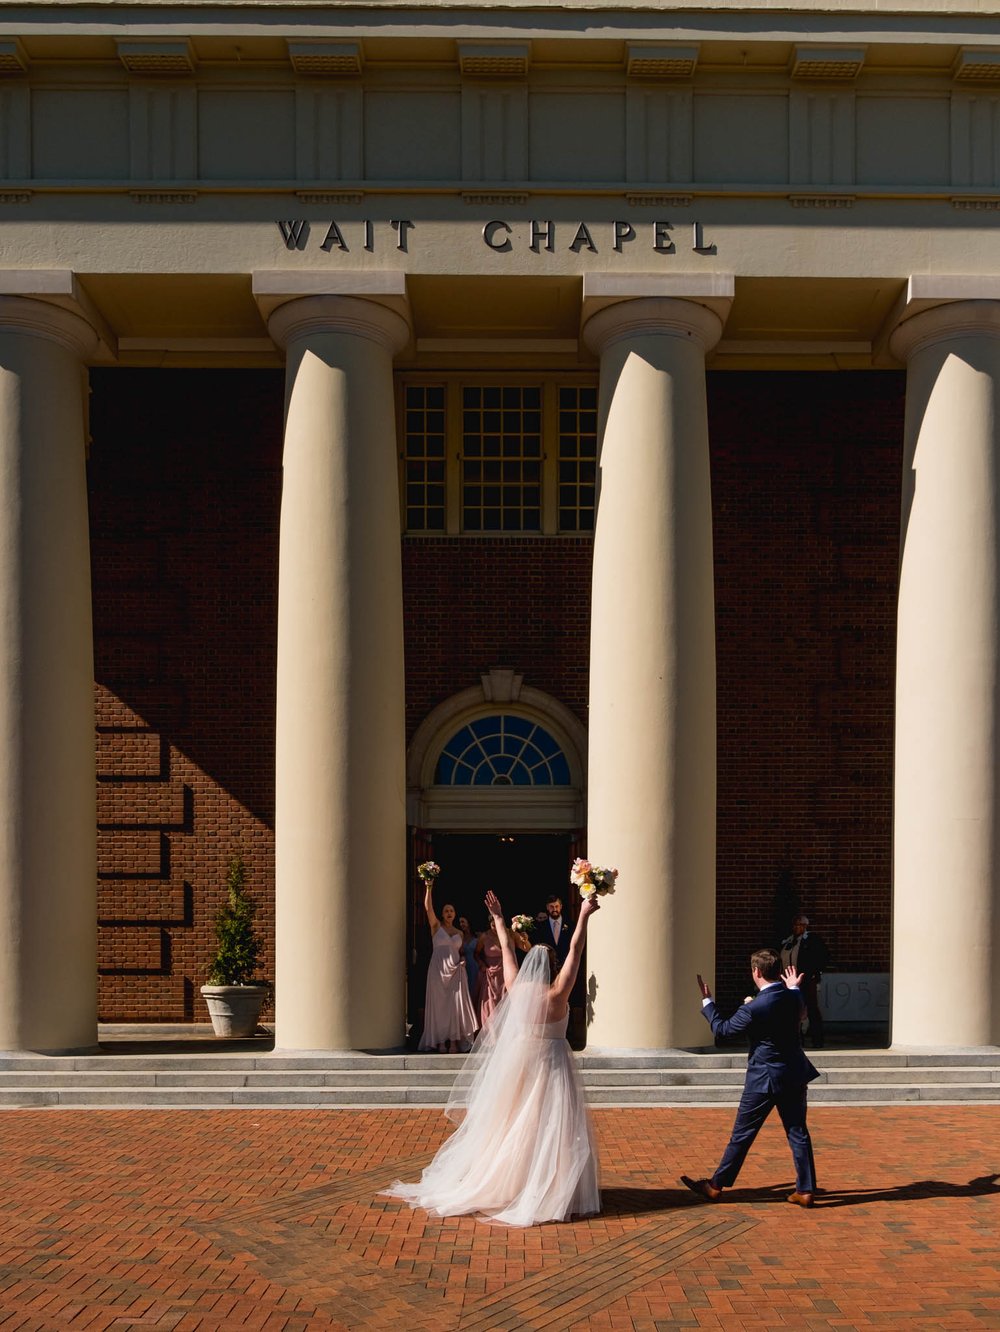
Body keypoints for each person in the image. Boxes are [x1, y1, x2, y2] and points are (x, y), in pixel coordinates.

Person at [385, 889, 602, 1226]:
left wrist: (500, 918)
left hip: (522, 1065)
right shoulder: (559, 993)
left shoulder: (516, 987)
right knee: (552, 1128)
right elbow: (575, 948)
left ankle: (513, 1183)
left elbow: (507, 953)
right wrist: (585, 914)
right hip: (555, 1066)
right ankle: (549, 1187)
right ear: (553, 968)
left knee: (515, 1125)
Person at [680, 949, 819, 1209]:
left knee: (742, 1135)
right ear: (778, 971)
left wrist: (707, 1002)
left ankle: (715, 1186)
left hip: (764, 1078)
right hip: (794, 1073)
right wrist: (794, 988)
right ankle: (806, 1189)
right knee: (798, 1132)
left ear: (756, 972)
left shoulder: (754, 1007)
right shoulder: (793, 996)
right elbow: (800, 1014)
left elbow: (722, 1029)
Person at [417, 883, 478, 1054]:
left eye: (451, 911)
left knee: (454, 1006)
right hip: (438, 970)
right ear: (442, 914)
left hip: (455, 971)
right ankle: (440, 1041)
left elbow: (462, 952)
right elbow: (428, 908)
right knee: (440, 1006)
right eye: (446, 911)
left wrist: (464, 959)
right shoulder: (436, 927)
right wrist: (429, 886)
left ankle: (453, 1041)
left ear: (455, 913)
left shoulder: (459, 933)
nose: (449, 913)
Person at [780, 914, 831, 1047]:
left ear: (806, 926)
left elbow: (822, 956)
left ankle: (817, 1040)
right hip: (788, 980)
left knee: (811, 1008)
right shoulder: (788, 941)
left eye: (801, 925)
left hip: (806, 980)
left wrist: (814, 973)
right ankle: (796, 1039)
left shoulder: (811, 940)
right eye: (796, 925)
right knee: (791, 1009)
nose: (798, 927)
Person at [473, 915, 505, 1028]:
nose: (495, 928)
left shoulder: (507, 934)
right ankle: (491, 1036)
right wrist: (482, 965)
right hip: (491, 974)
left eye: (497, 925)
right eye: (493, 925)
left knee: (505, 1003)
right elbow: (476, 953)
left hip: (505, 973)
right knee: (489, 1005)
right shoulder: (484, 937)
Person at [537, 894, 573, 966]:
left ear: (561, 907)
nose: (554, 909)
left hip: (567, 965)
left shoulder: (571, 925)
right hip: (547, 966)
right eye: (551, 907)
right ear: (547, 907)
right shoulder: (541, 927)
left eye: (557, 906)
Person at [459, 916, 479, 1001]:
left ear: (468, 922)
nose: (461, 924)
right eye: (460, 922)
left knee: (474, 989)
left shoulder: (477, 936)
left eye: (463, 922)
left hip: (474, 966)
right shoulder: (459, 936)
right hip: (463, 965)